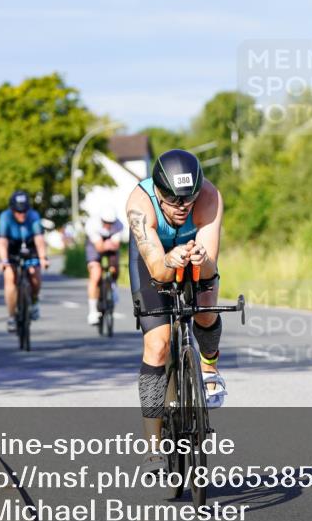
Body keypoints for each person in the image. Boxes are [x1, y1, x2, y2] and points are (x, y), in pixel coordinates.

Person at [127, 149, 225, 473]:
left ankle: (209, 369)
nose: (182, 206)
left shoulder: (209, 196)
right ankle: (153, 447)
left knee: (206, 308)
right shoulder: (140, 206)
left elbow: (210, 264)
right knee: (158, 344)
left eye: (188, 198)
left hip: (193, 256)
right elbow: (156, 268)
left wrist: (200, 257)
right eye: (172, 199)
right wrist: (170, 259)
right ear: (157, 191)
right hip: (154, 259)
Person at [0, 190, 49, 333]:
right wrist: (4, 260)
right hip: (12, 247)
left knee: (35, 274)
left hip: (29, 245)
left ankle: (34, 301)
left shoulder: (33, 216)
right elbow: (2, 242)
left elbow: (39, 239)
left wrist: (43, 258)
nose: (22, 214)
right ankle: (12, 316)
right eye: (18, 212)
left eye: (24, 211)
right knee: (10, 277)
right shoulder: (5, 217)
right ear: (12, 209)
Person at [85, 208, 123, 325]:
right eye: (105, 222)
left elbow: (115, 245)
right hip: (94, 245)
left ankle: (113, 285)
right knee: (95, 274)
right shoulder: (92, 225)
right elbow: (99, 247)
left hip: (108, 244)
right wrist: (106, 244)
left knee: (115, 268)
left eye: (110, 223)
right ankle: (92, 311)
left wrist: (108, 244)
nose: (108, 225)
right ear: (101, 220)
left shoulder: (119, 225)